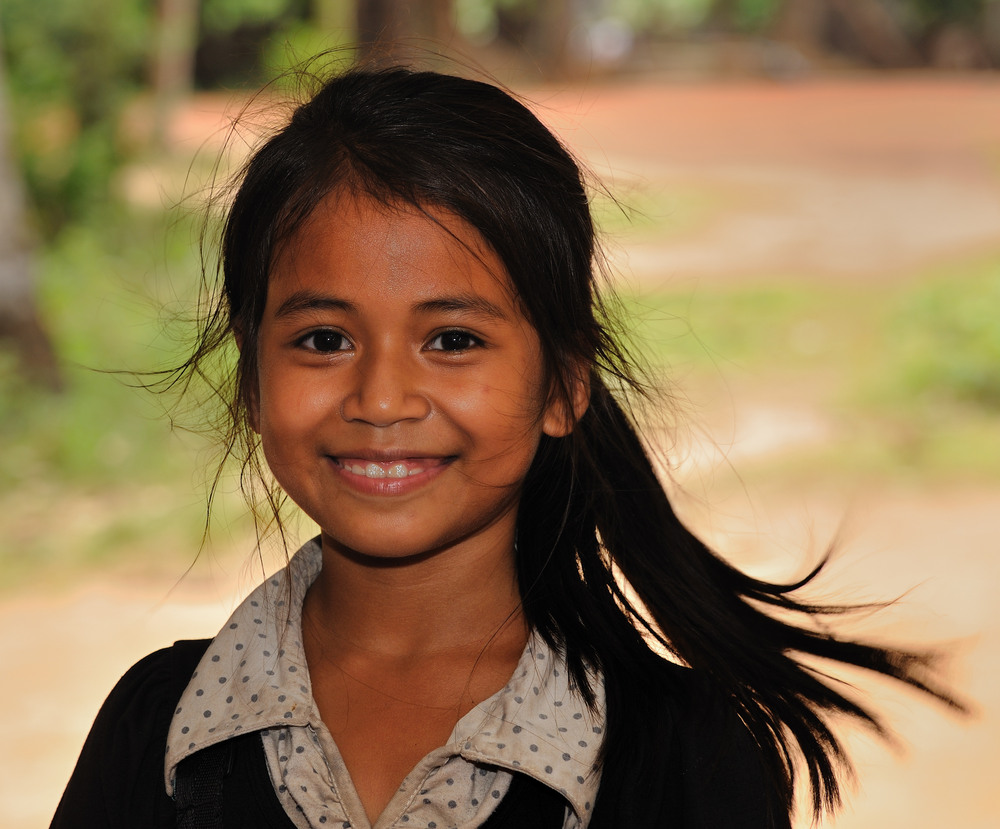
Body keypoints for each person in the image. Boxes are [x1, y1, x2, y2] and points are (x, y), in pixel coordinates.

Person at [50, 65, 960, 829]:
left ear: (563, 382)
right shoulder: (158, 731)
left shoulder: (684, 756)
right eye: (324, 338)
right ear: (252, 381)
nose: (381, 398)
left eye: (452, 340)